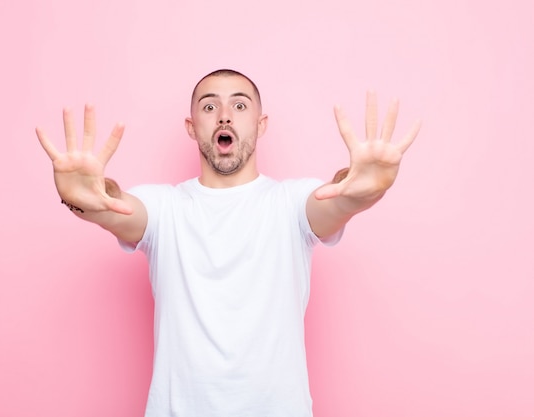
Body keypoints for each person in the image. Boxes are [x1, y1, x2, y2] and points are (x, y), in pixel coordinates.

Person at [36, 69, 421, 417]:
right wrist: (81, 197)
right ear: (192, 126)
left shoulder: (291, 203)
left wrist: (367, 188)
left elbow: (340, 198)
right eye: (209, 106)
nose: (224, 116)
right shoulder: (165, 208)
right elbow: (111, 206)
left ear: (260, 123)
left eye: (239, 104)